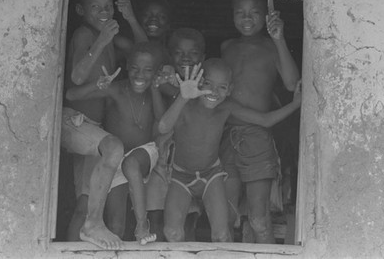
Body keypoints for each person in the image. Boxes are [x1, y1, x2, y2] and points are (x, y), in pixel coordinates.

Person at [158, 60, 301, 242]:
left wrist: (296, 104)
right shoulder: (185, 103)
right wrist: (183, 97)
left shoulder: (226, 107)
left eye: (222, 87)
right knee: (172, 233)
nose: (214, 92)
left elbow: (265, 120)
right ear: (198, 81)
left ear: (230, 89)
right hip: (180, 176)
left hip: (211, 176)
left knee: (222, 235)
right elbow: (163, 127)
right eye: (208, 84)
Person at [62, 0, 144, 249]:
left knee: (84, 204)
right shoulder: (86, 34)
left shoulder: (109, 36)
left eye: (108, 6)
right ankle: (93, 225)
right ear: (80, 10)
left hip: (92, 128)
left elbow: (144, 53)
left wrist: (130, 19)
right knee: (113, 148)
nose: (103, 11)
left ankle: (76, 244)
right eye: (95, 7)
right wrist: (101, 41)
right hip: (75, 119)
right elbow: (75, 78)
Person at [219, 0, 301, 243]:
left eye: (254, 12)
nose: (246, 18)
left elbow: (291, 83)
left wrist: (279, 38)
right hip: (226, 136)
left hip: (257, 137)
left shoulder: (270, 47)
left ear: (266, 16)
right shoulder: (226, 47)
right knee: (226, 217)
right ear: (232, 15)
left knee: (259, 219)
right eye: (240, 13)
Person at [66, 42, 165, 245]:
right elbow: (71, 95)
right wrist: (98, 84)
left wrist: (155, 88)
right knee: (99, 216)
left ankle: (141, 225)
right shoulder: (117, 89)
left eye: (148, 70)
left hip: (137, 156)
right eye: (135, 68)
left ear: (155, 72)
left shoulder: (153, 93)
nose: (140, 75)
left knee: (130, 169)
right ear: (127, 66)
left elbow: (162, 121)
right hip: (111, 159)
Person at [147, 27, 206, 241]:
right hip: (160, 162)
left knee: (185, 227)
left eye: (193, 53)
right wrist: (156, 87)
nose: (186, 58)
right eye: (179, 53)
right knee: (154, 224)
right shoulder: (164, 81)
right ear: (170, 56)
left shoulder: (206, 86)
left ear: (203, 57)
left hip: (187, 167)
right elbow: (161, 124)